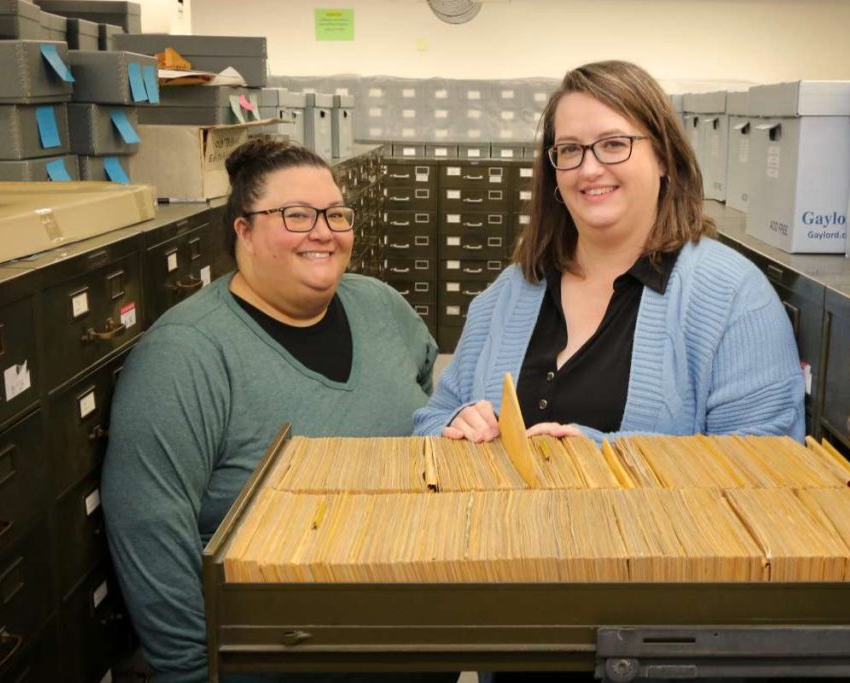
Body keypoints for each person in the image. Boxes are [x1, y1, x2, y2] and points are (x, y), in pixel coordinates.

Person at [102, 139, 439, 682]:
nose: (324, 231)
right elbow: (151, 534)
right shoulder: (186, 355)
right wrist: (194, 673)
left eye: (335, 214)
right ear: (244, 230)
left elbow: (427, 401)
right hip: (282, 662)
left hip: (416, 641)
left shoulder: (380, 306)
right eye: (296, 215)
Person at [414, 60, 804, 445]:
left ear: (664, 157)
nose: (589, 169)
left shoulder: (733, 296)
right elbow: (430, 420)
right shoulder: (514, 289)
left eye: (614, 144)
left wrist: (607, 459)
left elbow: (764, 471)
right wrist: (454, 425)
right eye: (570, 150)